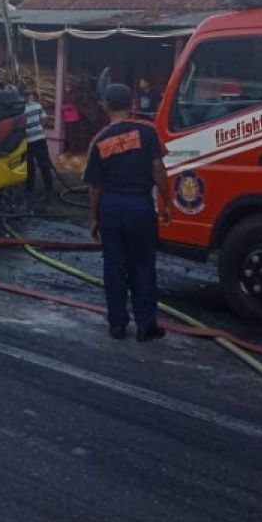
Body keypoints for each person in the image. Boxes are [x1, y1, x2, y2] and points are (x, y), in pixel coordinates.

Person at [84, 82, 173, 341]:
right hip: (140, 206)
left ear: (105, 107)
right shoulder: (147, 131)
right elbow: (158, 169)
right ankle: (146, 326)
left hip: (112, 207)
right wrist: (165, 202)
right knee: (143, 265)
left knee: (114, 266)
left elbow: (95, 187)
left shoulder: (99, 140)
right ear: (132, 104)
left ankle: (117, 324)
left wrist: (93, 218)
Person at [24, 91, 56, 194]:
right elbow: (45, 120)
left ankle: (30, 189)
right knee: (44, 163)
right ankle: (49, 187)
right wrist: (38, 127)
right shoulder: (38, 106)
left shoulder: (21, 109)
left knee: (30, 166)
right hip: (40, 138)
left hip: (28, 141)